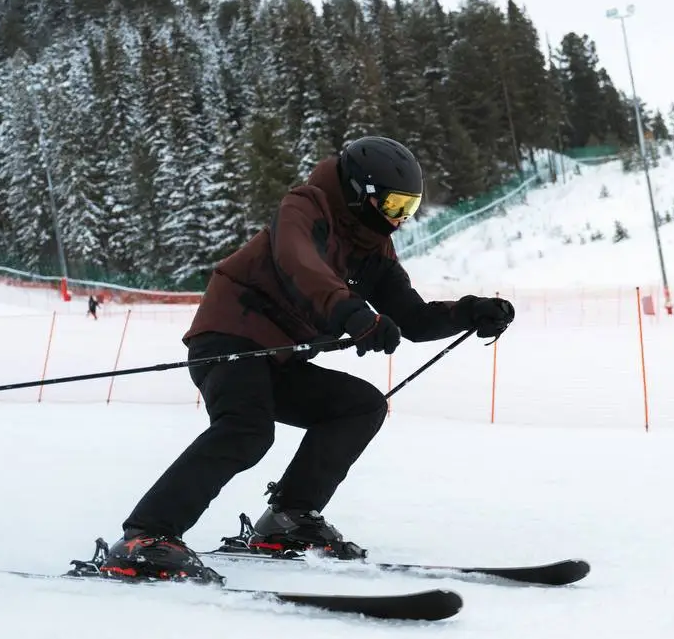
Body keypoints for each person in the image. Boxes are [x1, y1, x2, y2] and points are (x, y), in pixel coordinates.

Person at [99, 136, 515, 583]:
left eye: (408, 209)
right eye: (393, 205)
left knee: (361, 405)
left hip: (280, 360)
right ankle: (146, 536)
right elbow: (300, 266)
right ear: (361, 193)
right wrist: (353, 313)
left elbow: (412, 317)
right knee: (247, 430)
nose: (398, 219)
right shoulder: (306, 207)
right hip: (229, 341)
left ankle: (290, 517)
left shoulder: (372, 247)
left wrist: (469, 312)